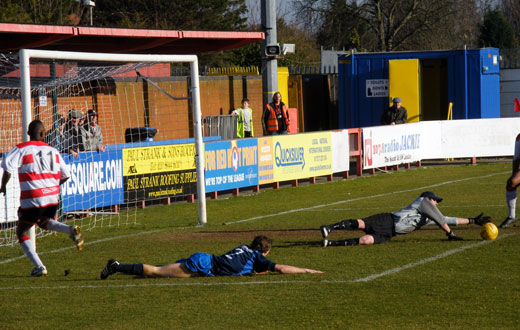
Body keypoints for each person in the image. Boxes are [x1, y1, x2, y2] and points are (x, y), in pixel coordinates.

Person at [0, 120, 84, 277]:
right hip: (52, 198)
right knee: (44, 222)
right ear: (44, 134)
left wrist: (3, 185)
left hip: (34, 198)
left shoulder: (21, 149)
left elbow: (7, 166)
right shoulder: (53, 150)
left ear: (28, 134)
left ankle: (39, 267)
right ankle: (70, 230)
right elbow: (66, 175)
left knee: (21, 231)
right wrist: (52, 184)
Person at [100, 235, 322, 279]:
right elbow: (281, 268)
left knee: (164, 271)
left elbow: (243, 267)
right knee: (158, 271)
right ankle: (116, 267)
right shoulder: (257, 256)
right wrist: (308, 270)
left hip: (205, 262)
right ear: (265, 251)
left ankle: (126, 269)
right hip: (203, 264)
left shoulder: (244, 248)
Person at [320, 191, 491, 247]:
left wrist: (472, 220)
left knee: (365, 240)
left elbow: (447, 219)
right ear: (428, 199)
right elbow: (442, 220)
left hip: (391, 233)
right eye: (435, 200)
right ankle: (330, 227)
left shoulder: (429, 217)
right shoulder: (422, 202)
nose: (436, 203)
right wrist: (450, 234)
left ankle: (331, 244)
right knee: (360, 224)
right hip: (388, 220)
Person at [501, 133, 520, 228]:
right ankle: (512, 216)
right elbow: (516, 158)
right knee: (511, 183)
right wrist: (514, 174)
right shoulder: (519, 138)